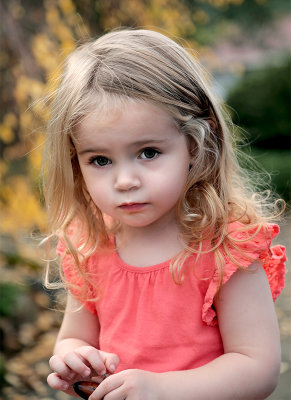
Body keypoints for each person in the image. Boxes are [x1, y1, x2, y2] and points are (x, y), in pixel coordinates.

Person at [43, 29, 286, 400]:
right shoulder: (91, 244)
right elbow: (74, 336)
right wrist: (75, 360)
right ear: (76, 163)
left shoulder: (224, 248)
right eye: (100, 160)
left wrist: (162, 388)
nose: (125, 181)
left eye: (149, 152)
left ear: (196, 143)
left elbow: (258, 367)